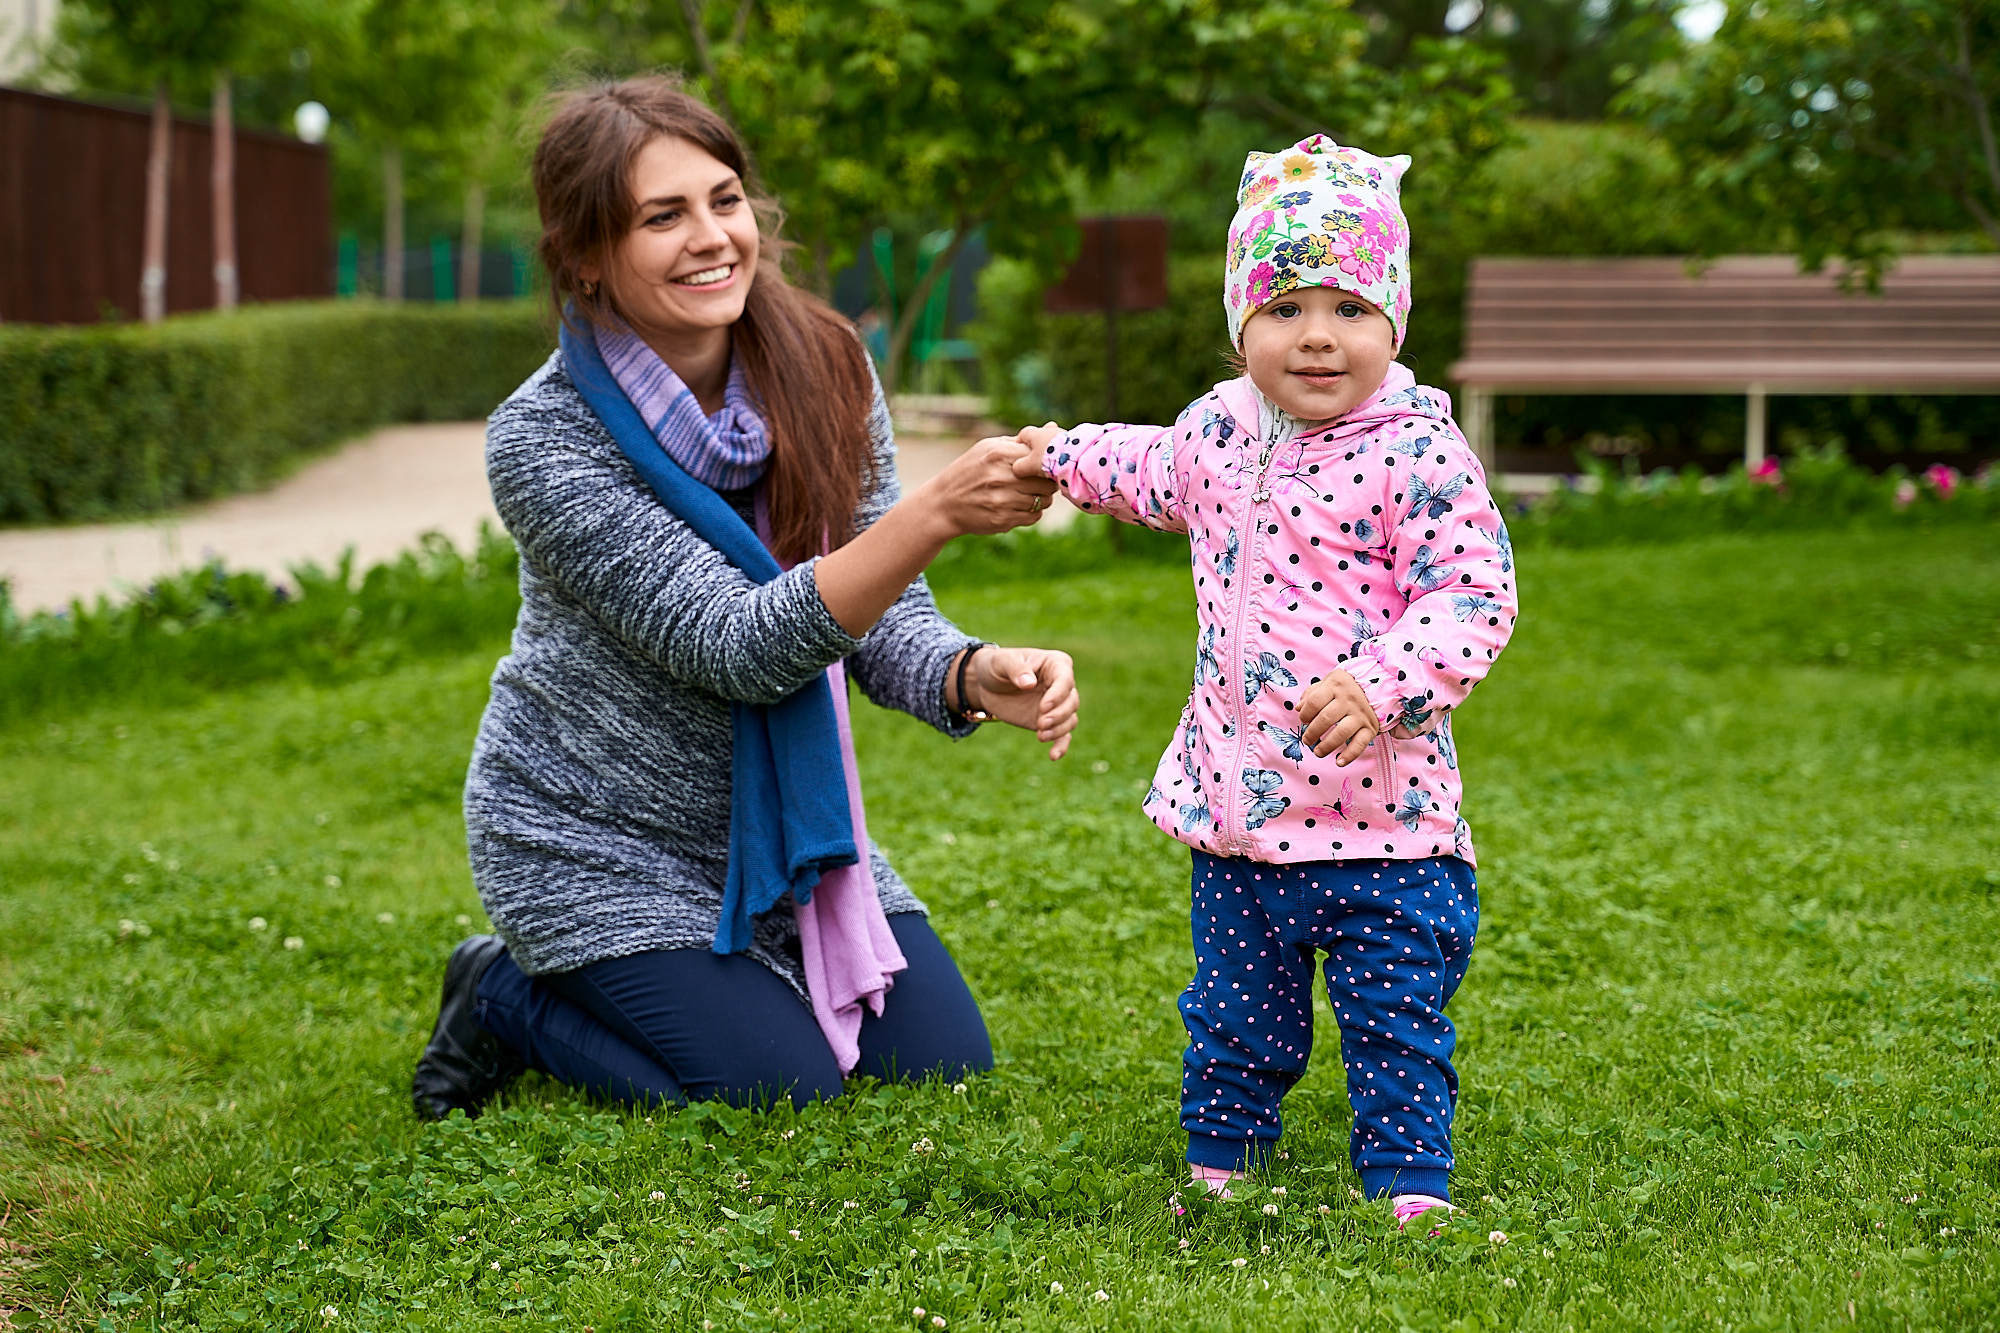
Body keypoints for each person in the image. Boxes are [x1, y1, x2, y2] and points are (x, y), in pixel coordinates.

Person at [412, 75, 1075, 1121]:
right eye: (660, 217)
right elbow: (736, 644)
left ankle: (721, 980)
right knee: (777, 1093)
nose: (710, 237)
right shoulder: (543, 437)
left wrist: (966, 670)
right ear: (585, 256)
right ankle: (499, 992)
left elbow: (876, 606)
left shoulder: (826, 366)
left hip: (785, 836)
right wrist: (936, 511)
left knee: (944, 1066)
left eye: (723, 200)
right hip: (593, 838)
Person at [1011, 134, 1517, 1227]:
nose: (1317, 336)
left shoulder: (1417, 454)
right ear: (1240, 322)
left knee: (1396, 1014)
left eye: (1349, 308)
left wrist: (1381, 683)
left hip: (1386, 823)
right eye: (1284, 307)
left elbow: (1472, 597)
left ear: (1394, 322)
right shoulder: (1215, 431)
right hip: (1239, 813)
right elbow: (1143, 468)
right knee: (1234, 1009)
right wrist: (1058, 454)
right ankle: (1223, 1155)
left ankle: (1407, 1180)